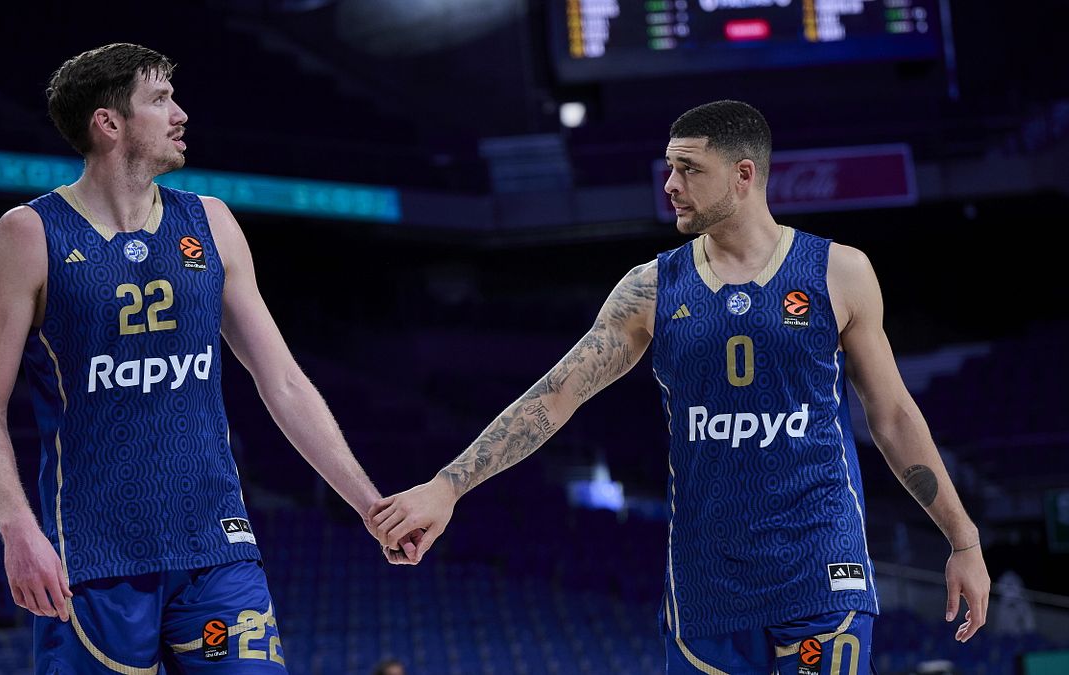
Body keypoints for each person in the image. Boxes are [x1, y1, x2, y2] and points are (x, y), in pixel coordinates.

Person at [370, 100, 991, 673]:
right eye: (670, 167)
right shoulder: (651, 288)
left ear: (743, 175)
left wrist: (963, 539)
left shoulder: (840, 272)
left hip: (821, 568)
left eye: (688, 169)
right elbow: (555, 396)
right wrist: (446, 487)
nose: (669, 184)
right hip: (706, 587)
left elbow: (893, 416)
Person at [0, 43, 413, 674]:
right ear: (109, 123)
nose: (181, 114)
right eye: (160, 99)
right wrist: (17, 530)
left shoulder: (212, 222)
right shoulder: (28, 234)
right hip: (92, 558)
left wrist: (369, 504)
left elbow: (282, 379)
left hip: (216, 546)